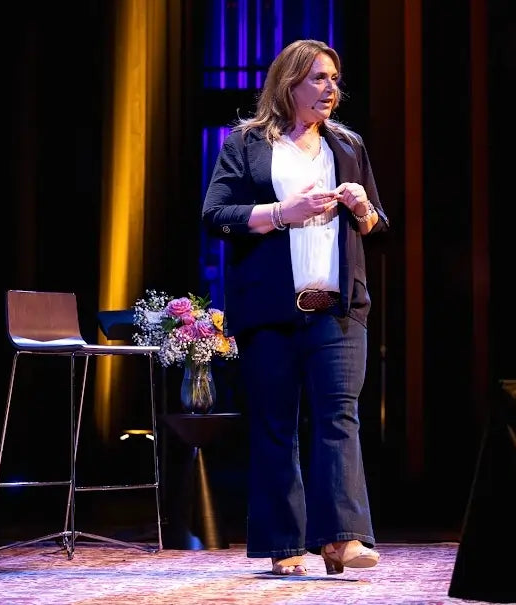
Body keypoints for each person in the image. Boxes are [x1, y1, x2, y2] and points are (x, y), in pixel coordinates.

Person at [201, 39, 388, 576]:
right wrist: (284, 212)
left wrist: (362, 209)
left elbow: (379, 227)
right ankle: (285, 543)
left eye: (333, 78)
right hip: (269, 310)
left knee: (339, 418)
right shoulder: (248, 144)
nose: (331, 89)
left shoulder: (347, 146)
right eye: (318, 79)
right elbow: (216, 213)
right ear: (289, 84)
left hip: (337, 308)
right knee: (277, 423)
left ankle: (342, 540)